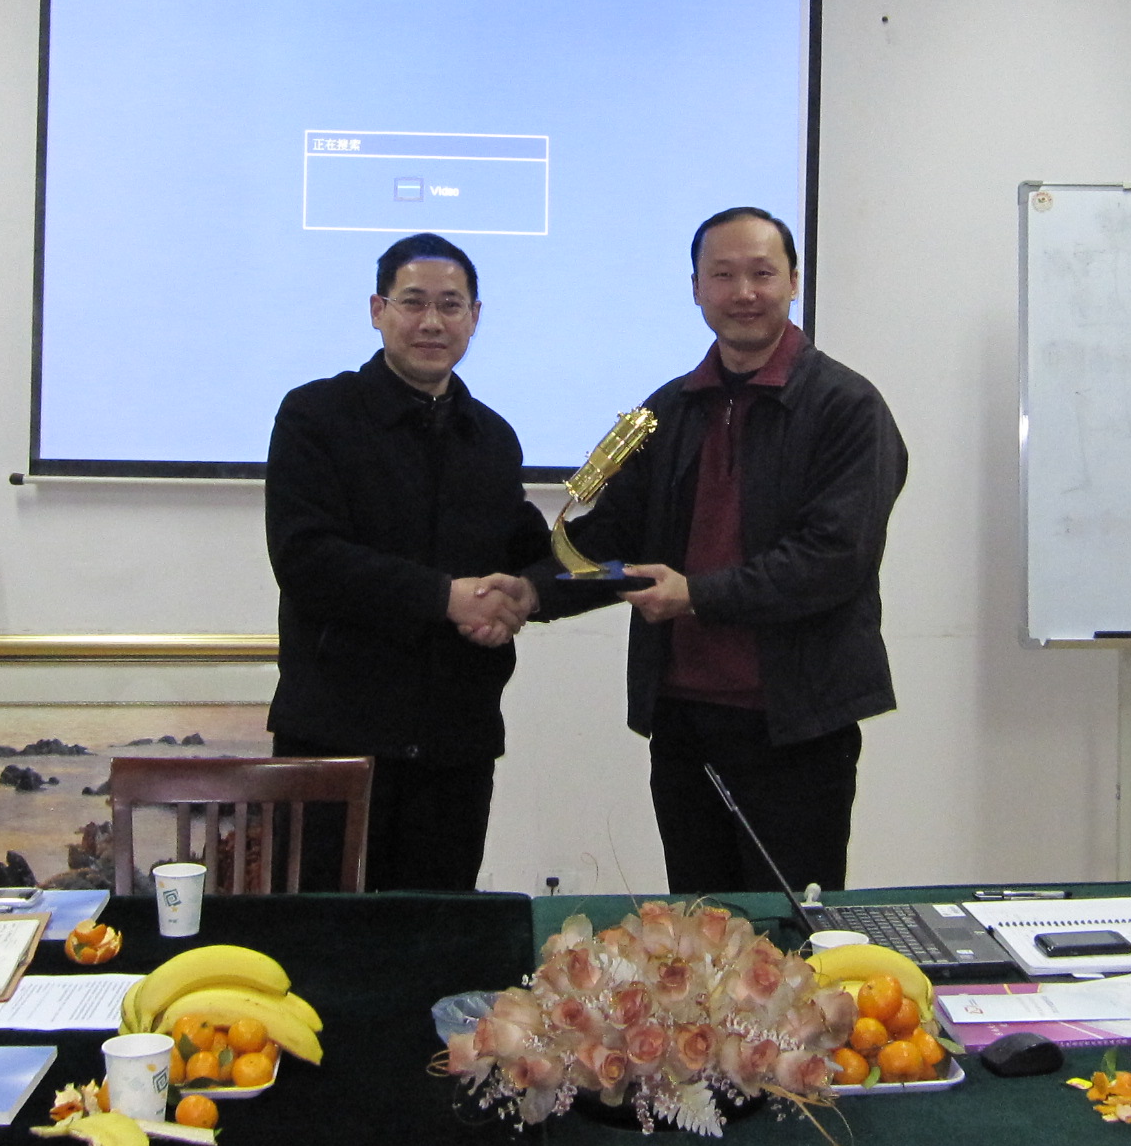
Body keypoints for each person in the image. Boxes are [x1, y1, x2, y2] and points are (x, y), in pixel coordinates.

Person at [538, 206, 906, 894]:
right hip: (683, 721)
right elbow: (611, 538)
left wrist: (696, 595)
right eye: (723, 275)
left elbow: (833, 559)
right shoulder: (669, 409)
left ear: (794, 281)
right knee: (697, 924)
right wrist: (520, 591)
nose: (744, 293)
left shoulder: (848, 408)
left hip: (796, 726)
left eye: (762, 274)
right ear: (696, 288)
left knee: (790, 931)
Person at [264, 232, 550, 890]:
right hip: (335, 743)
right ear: (378, 310)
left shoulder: (491, 436)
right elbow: (307, 560)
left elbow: (530, 551)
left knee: (437, 931)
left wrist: (528, 593)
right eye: (413, 302)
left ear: (475, 317)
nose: (432, 322)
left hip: (454, 749)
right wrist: (446, 598)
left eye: (451, 305)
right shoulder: (316, 415)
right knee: (323, 933)